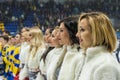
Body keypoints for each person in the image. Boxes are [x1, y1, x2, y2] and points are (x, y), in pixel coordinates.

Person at [76, 12, 120, 80]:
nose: (77, 35)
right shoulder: (90, 61)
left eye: (82, 30)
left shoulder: (106, 65)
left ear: (96, 32)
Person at [57, 16, 81, 80]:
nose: (57, 35)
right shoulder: (67, 52)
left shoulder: (79, 56)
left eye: (61, 30)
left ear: (72, 32)